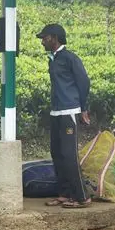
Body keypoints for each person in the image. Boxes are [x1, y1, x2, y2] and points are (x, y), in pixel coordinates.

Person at [37, 23, 92, 209]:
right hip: (56, 111)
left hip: (69, 111)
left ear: (54, 38)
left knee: (69, 156)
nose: (42, 41)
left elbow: (84, 82)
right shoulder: (52, 59)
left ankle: (82, 197)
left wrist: (83, 108)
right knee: (57, 153)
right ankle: (65, 193)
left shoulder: (70, 58)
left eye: (44, 38)